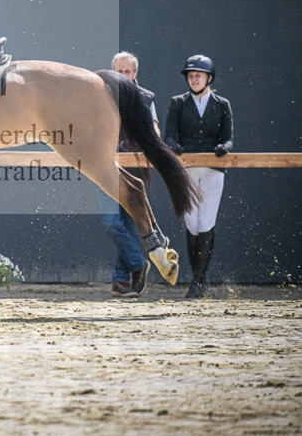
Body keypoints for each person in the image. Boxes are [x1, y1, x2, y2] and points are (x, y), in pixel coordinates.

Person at [164, 54, 234, 299]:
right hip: (186, 169)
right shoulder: (177, 103)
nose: (194, 79)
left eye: (198, 75)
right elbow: (168, 135)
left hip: (214, 169)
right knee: (192, 224)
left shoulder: (222, 104)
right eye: (191, 76)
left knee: (206, 222)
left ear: (209, 78)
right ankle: (199, 281)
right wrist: (174, 146)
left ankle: (198, 280)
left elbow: (228, 137)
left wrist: (225, 147)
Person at [100, 52, 156, 298]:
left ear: (135, 74)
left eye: (128, 71)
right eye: (119, 71)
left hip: (134, 165)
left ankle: (121, 279)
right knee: (112, 222)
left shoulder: (144, 98)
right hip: (105, 166)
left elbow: (154, 127)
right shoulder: (101, 95)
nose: (124, 76)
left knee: (131, 224)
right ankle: (137, 266)